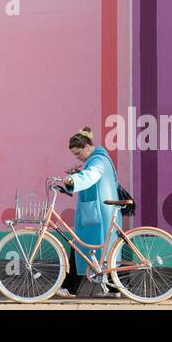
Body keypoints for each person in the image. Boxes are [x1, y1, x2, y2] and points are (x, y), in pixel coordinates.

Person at [56, 126, 120, 298]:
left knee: (80, 246)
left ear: (86, 147)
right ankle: (116, 288)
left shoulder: (98, 160)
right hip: (99, 211)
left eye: (78, 153)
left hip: (98, 213)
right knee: (107, 250)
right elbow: (89, 175)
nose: (77, 157)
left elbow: (91, 175)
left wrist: (74, 179)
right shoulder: (97, 158)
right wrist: (77, 174)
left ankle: (70, 288)